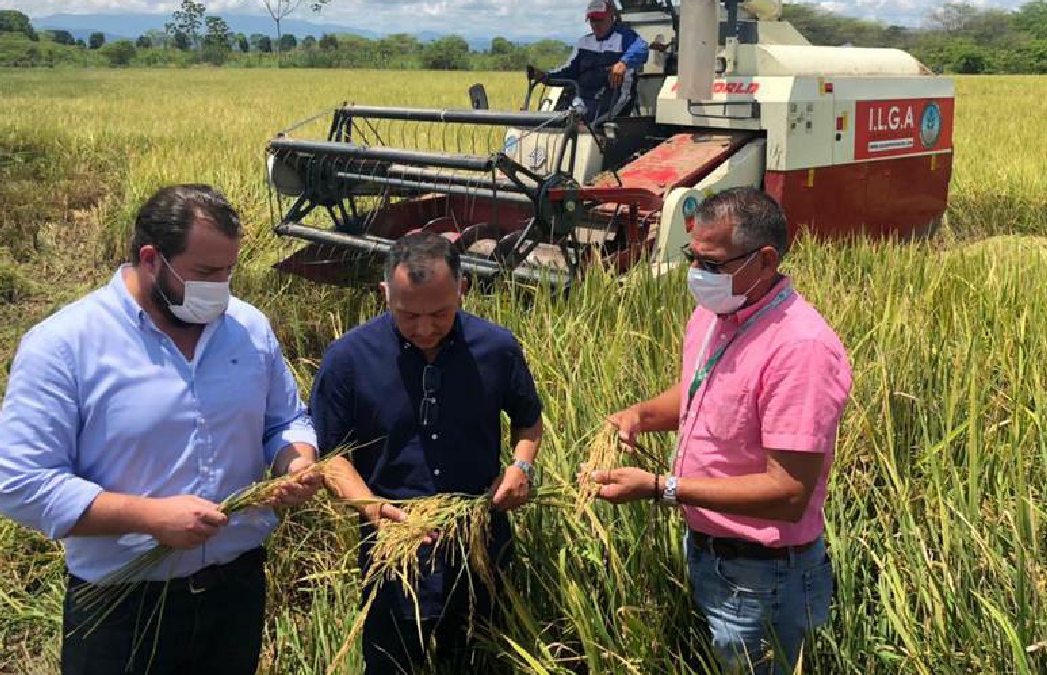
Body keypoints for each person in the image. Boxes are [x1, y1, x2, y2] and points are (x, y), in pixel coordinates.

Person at [0, 184, 323, 675]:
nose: (221, 288)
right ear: (151, 259)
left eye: (229, 271)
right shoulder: (65, 345)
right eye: (205, 273)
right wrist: (150, 518)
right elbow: (22, 485)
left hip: (235, 592)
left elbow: (285, 420)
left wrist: (295, 461)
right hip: (123, 606)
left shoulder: (248, 329)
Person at [587, 187, 853, 674]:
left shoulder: (801, 350)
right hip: (710, 553)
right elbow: (702, 388)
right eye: (693, 257)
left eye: (712, 263)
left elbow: (788, 492)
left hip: (764, 577)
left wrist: (661, 488)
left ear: (765, 260)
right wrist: (641, 415)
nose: (697, 274)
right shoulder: (717, 314)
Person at [310, 231, 544, 674]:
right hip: (393, 555)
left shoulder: (496, 348)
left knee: (479, 662)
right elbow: (331, 456)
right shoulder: (348, 359)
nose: (424, 329)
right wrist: (373, 508)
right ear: (385, 293)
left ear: (462, 289)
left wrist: (520, 467)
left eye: (439, 313)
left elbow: (529, 421)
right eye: (408, 314)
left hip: (479, 546)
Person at [528, 0, 649, 127]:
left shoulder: (624, 37)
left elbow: (642, 48)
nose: (596, 25)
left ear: (611, 17)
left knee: (582, 125)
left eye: (600, 20)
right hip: (581, 99)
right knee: (553, 122)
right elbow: (569, 71)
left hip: (613, 98)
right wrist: (545, 76)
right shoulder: (583, 43)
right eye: (592, 20)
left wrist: (623, 64)